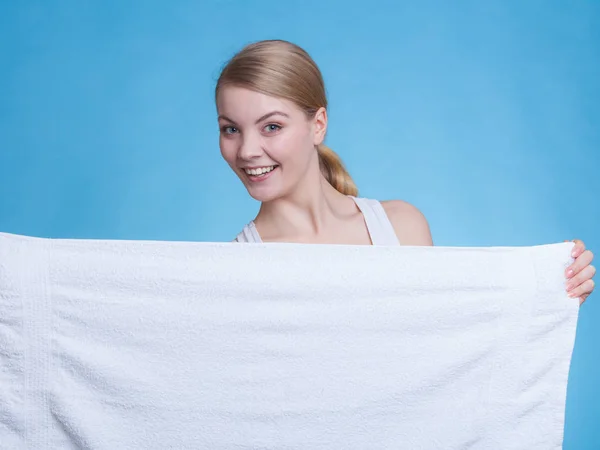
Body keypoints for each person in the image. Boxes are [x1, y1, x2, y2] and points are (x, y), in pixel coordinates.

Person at [215, 39, 595, 305]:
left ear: (318, 124)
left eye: (271, 127)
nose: (247, 150)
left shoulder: (401, 228)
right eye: (230, 128)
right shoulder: (229, 271)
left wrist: (548, 298)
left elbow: (454, 346)